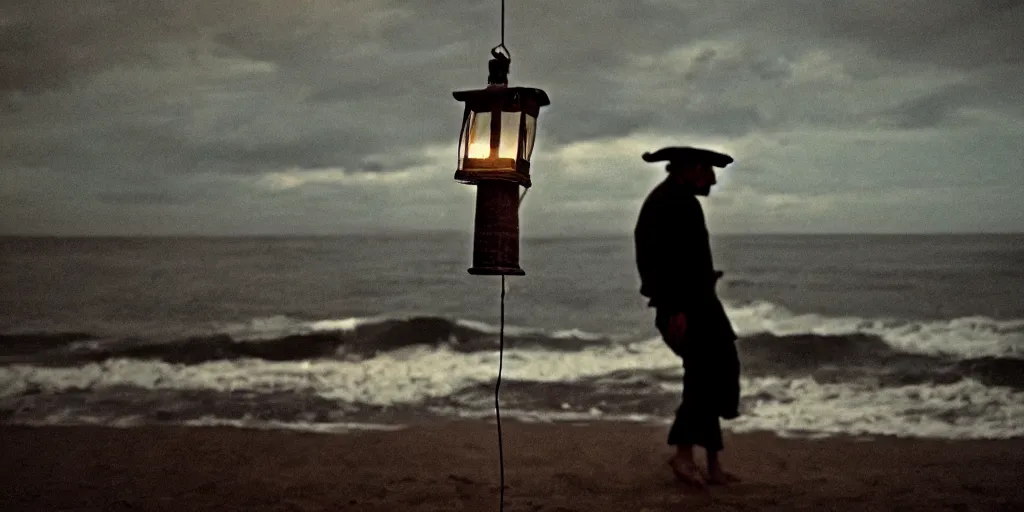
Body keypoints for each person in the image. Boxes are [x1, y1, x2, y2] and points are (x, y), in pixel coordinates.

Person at [633, 146, 742, 488]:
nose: (712, 180)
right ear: (692, 170)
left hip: (698, 302)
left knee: (716, 373)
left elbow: (683, 260)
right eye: (708, 172)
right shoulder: (670, 203)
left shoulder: (677, 200)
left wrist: (705, 279)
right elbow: (659, 263)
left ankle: (711, 464)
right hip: (685, 308)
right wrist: (675, 309)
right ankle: (683, 456)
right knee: (704, 377)